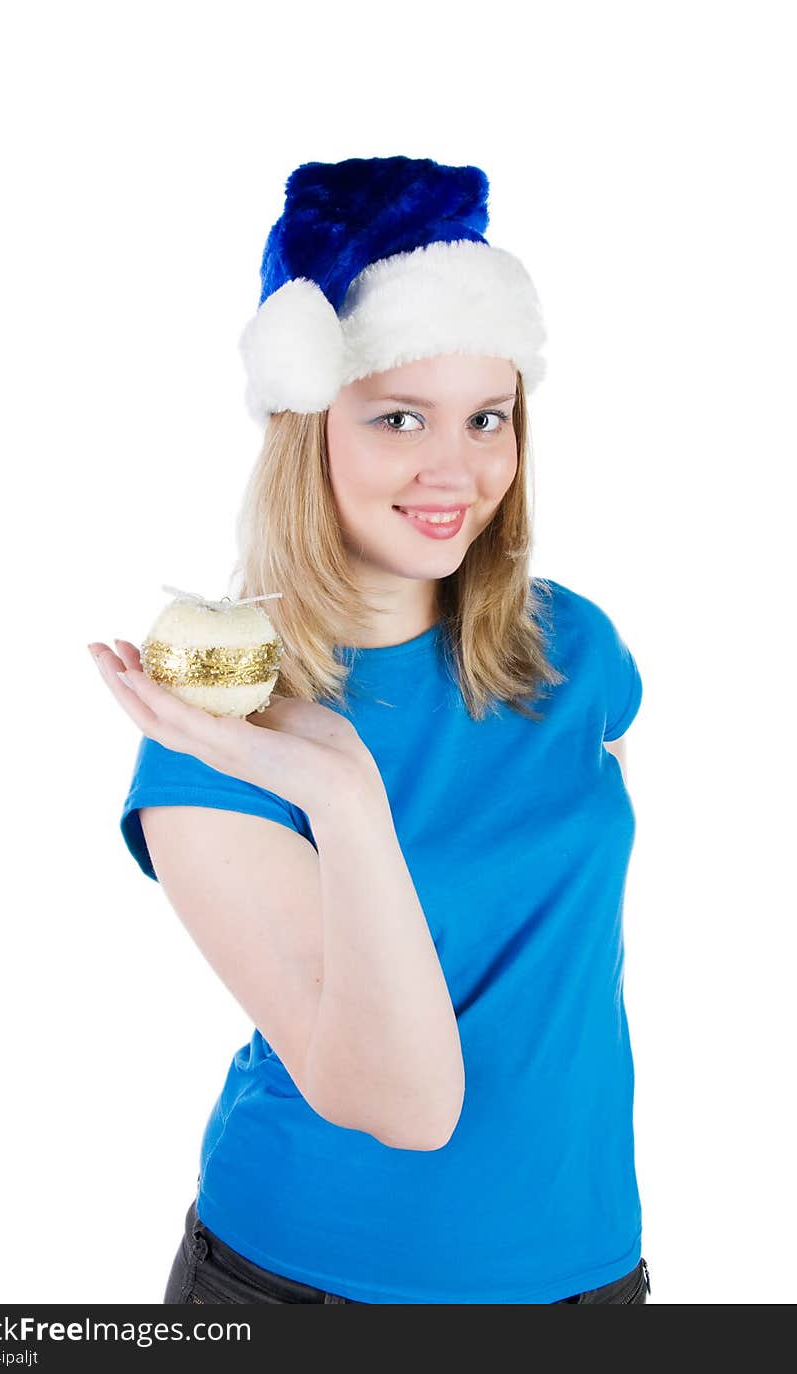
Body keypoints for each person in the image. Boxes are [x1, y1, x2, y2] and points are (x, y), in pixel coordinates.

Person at [88, 156, 651, 1305]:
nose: (457, 468)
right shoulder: (217, 732)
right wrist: (343, 794)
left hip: (593, 1272)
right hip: (315, 1288)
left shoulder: (572, 648)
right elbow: (404, 1105)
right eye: (400, 416)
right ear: (311, 428)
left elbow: (565, 945)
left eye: (486, 417)